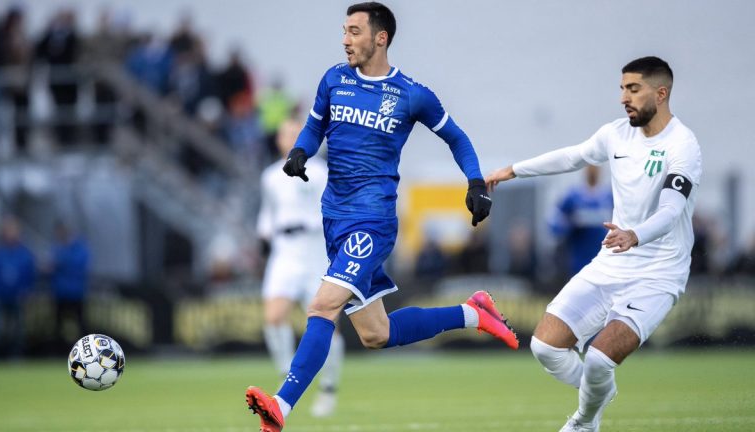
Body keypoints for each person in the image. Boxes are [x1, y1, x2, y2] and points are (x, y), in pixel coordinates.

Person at [245, 3, 518, 431]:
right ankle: (474, 313)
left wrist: (474, 182)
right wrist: (300, 151)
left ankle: (281, 405)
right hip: (335, 221)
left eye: (354, 31)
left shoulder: (411, 94)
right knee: (377, 334)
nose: (345, 40)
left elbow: (457, 137)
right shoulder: (334, 80)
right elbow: (315, 127)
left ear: (380, 37)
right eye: (344, 31)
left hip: (371, 222)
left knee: (322, 306)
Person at [485, 56, 701, 432]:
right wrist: (514, 170)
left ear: (661, 93)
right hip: (611, 262)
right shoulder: (616, 134)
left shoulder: (683, 145)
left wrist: (635, 234)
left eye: (633, 89)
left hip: (658, 272)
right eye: (622, 88)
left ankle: (584, 422)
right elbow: (573, 156)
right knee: (545, 347)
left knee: (600, 360)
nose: (623, 97)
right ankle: (600, 392)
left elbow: (670, 210)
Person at [256, 118, 344, 417]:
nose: (291, 138)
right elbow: (268, 212)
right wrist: (264, 235)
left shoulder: (320, 171)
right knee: (274, 317)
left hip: (314, 251)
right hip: (284, 252)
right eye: (286, 134)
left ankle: (328, 387)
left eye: (297, 133)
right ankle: (287, 377)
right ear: (278, 139)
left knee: (325, 323)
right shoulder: (270, 176)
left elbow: (332, 208)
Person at [549, 165, 613, 278]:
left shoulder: (608, 196)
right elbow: (557, 219)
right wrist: (570, 224)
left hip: (603, 251)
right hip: (578, 253)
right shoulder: (573, 196)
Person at [0, 216, 36, 358]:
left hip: (18, 297)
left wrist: (27, 291)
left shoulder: (25, 253)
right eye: (8, 230)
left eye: (13, 230)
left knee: (18, 329)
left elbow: (30, 274)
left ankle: (16, 354)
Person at [47, 221, 90, 348]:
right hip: (60, 292)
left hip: (76, 292)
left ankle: (85, 350)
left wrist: (60, 263)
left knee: (80, 324)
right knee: (58, 325)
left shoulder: (79, 248)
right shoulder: (57, 248)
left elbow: (78, 265)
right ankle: (59, 350)